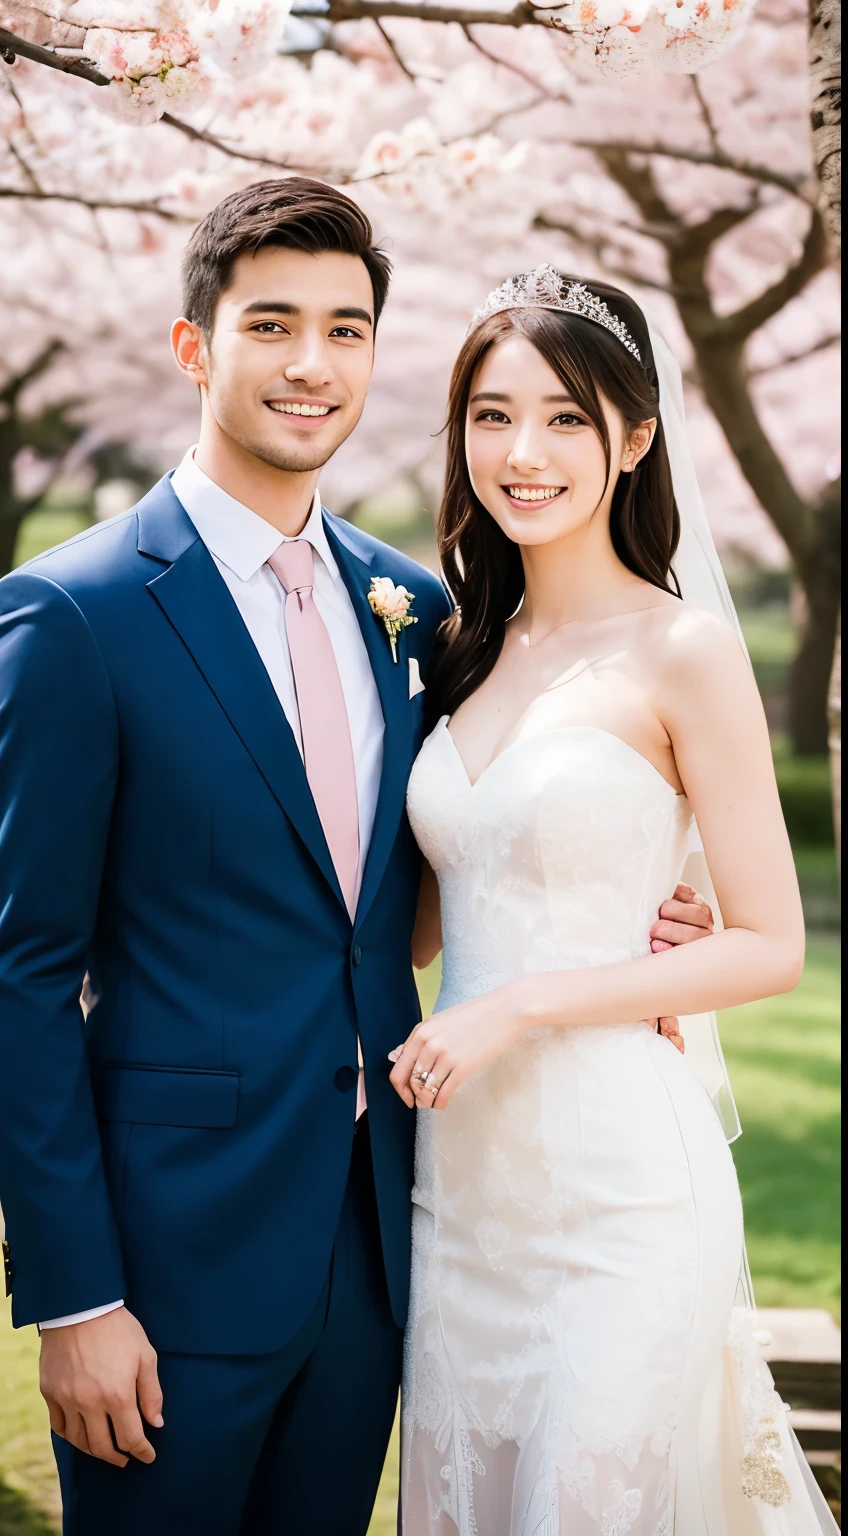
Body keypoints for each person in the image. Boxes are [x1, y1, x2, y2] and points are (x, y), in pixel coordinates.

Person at [0, 188, 710, 1536]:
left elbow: (442, 876)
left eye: (347, 328)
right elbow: (21, 972)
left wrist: (651, 921)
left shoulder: (422, 607)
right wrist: (74, 1295)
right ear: (193, 345)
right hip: (169, 1261)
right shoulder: (74, 614)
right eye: (271, 324)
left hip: (390, 1244)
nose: (312, 363)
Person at [392, 268, 837, 1534]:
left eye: (565, 418)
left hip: (622, 1190)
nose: (520, 452)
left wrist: (525, 1003)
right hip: (461, 1191)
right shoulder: (454, 645)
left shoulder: (682, 650)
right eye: (489, 414)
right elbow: (423, 918)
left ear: (634, 438)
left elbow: (765, 944)